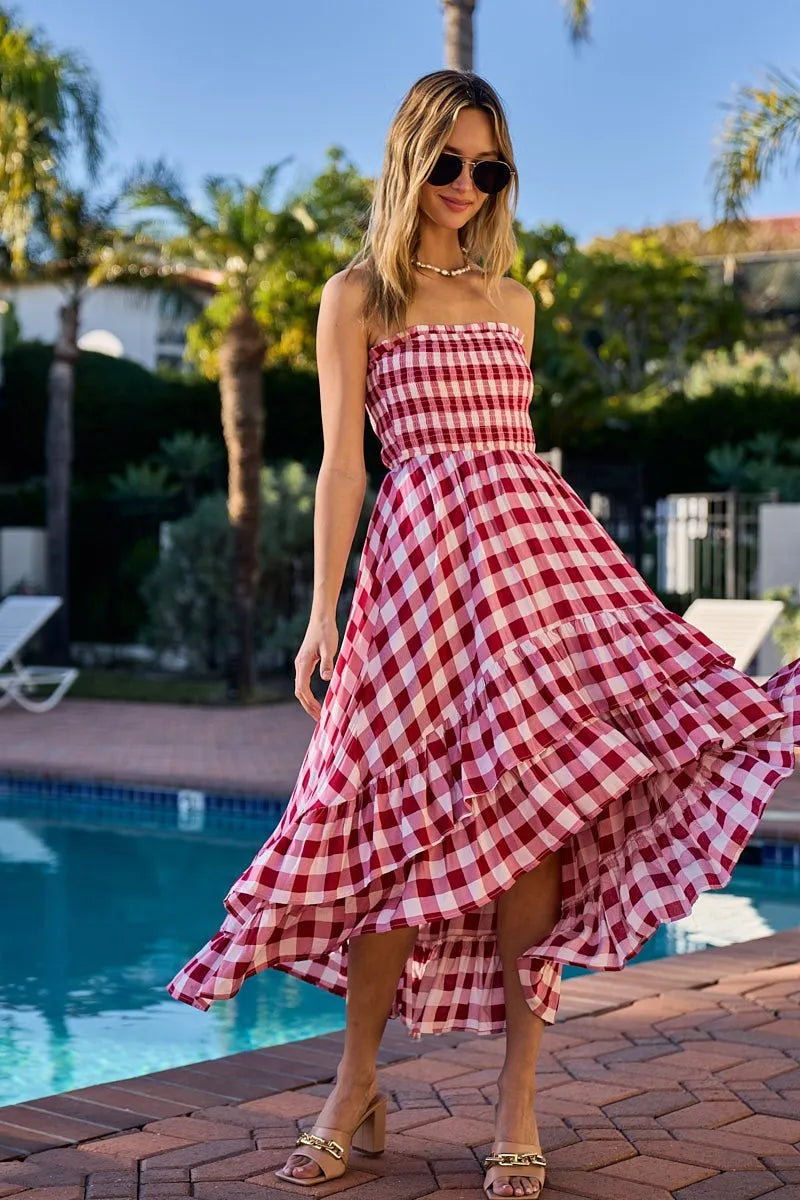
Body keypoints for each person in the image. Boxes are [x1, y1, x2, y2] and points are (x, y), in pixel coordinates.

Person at [166, 70, 800, 1199]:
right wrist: (320, 612)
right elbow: (345, 467)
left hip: (530, 570)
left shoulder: (513, 302)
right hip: (414, 581)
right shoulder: (357, 295)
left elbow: (513, 452)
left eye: (488, 167)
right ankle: (353, 1080)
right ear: (411, 157)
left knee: (535, 821)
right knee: (379, 821)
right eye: (449, 162)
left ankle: (517, 1093)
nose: (466, 186)